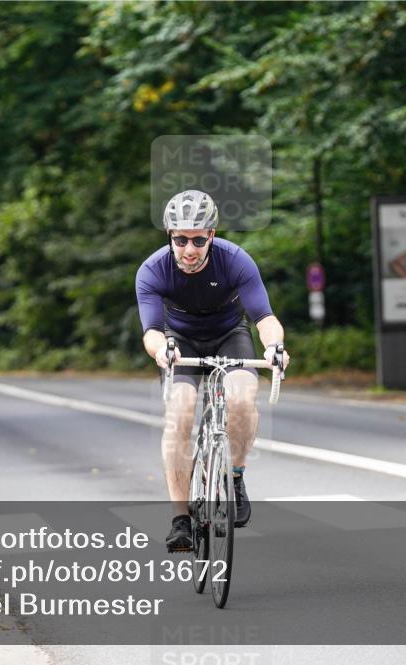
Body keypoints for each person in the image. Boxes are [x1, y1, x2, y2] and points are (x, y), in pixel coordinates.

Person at [135, 190, 291, 553]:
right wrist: (162, 351)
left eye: (198, 240)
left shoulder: (235, 261)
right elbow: (152, 332)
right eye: (180, 240)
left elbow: (265, 318)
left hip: (228, 335)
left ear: (212, 235)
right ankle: (180, 519)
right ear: (170, 236)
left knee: (242, 398)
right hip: (179, 341)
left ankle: (234, 476)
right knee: (180, 411)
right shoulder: (153, 270)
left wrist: (274, 347)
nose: (189, 249)